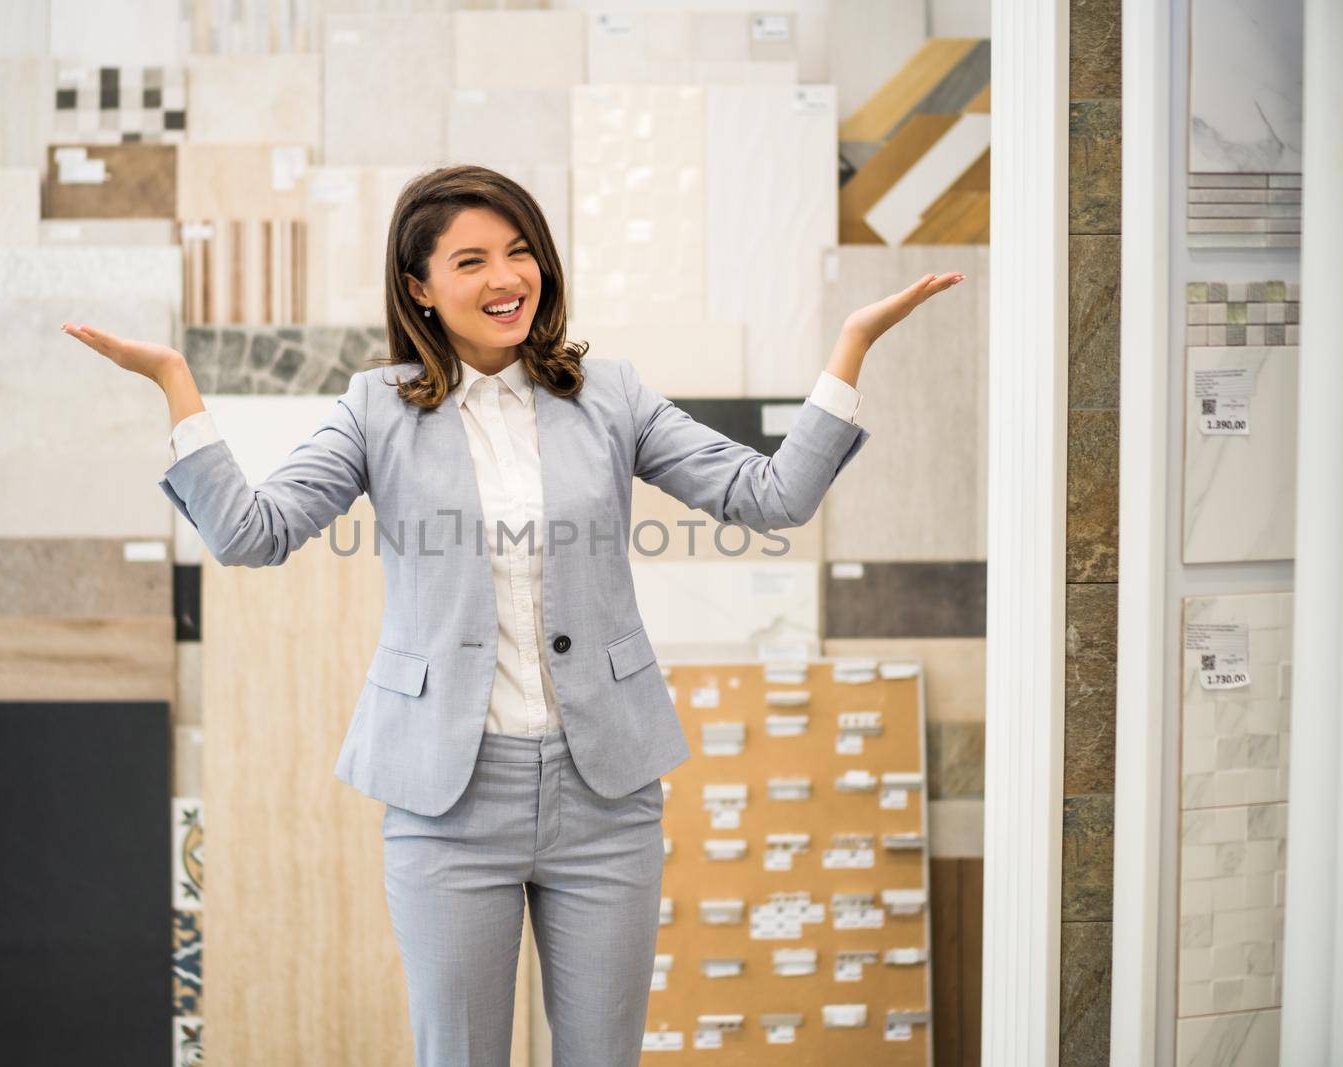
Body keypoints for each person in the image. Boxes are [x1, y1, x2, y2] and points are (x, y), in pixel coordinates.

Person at [63, 163, 962, 1066]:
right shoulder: (376, 407)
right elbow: (252, 534)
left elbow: (770, 497)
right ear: (419, 287)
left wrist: (847, 350)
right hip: (448, 795)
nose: (505, 279)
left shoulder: (611, 395)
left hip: (605, 790)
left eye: (520, 252)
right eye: (472, 260)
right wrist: (177, 386)